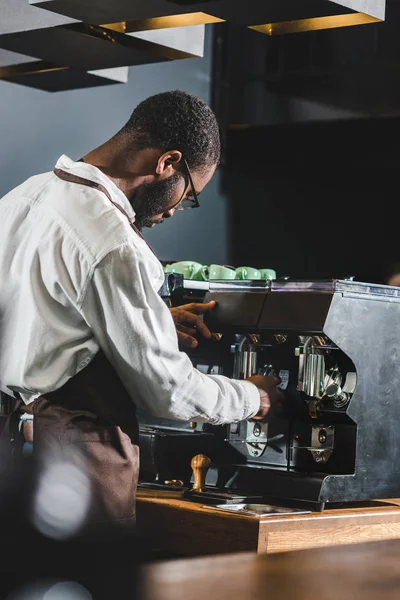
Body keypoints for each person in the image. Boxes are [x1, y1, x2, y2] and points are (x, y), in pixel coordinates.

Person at [0, 90, 283, 532]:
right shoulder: (116, 244)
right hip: (77, 471)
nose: (175, 210)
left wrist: (147, 322)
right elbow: (167, 390)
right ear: (167, 163)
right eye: (189, 194)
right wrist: (255, 398)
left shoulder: (20, 200)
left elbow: (38, 321)